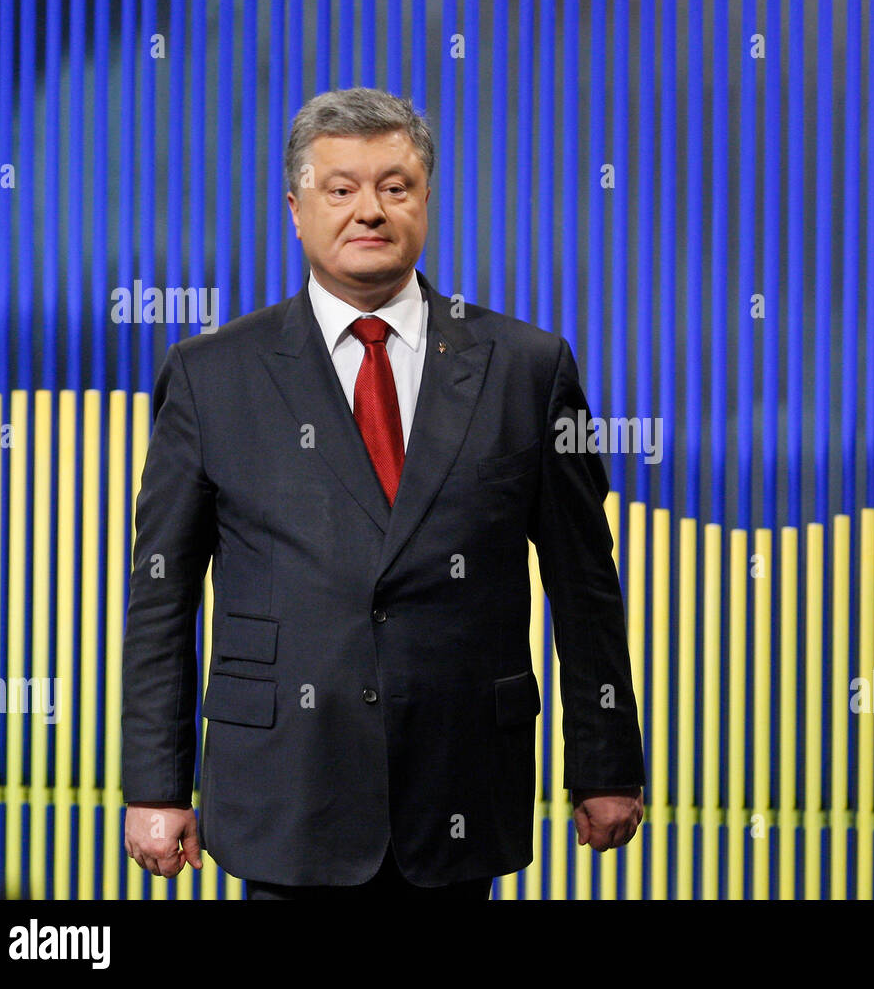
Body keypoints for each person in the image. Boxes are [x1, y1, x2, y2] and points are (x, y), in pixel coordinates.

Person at [121, 87, 645, 900]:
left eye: (394, 187)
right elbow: (161, 596)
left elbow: (585, 582)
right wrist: (156, 785)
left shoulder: (527, 369)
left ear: (425, 199)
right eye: (341, 189)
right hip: (284, 789)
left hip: (460, 784)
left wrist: (607, 763)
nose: (369, 209)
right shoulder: (211, 373)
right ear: (296, 210)